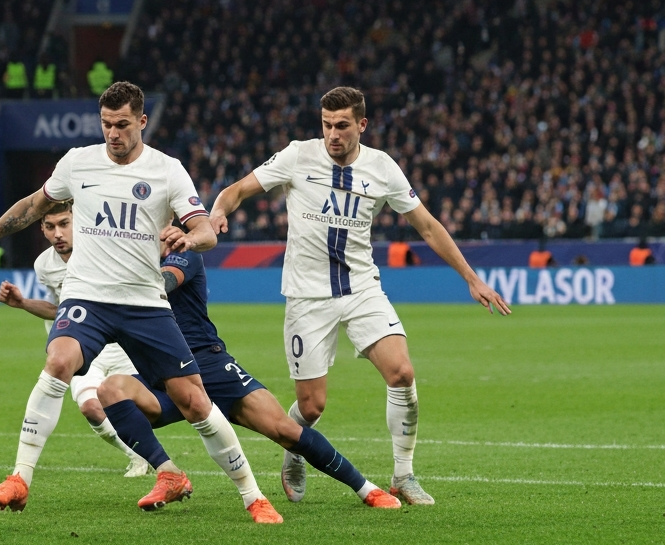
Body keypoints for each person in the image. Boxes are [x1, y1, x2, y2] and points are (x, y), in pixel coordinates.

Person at [0, 81, 281, 524]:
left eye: (122, 124)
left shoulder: (167, 170)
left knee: (195, 402)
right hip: (89, 295)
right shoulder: (78, 162)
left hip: (144, 302)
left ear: (142, 121)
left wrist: (190, 237)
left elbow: (205, 230)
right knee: (58, 361)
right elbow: (33, 205)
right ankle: (19, 478)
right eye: (106, 124)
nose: (113, 133)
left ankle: (253, 496)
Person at [209, 86, 511, 507]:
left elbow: (427, 226)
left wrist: (471, 279)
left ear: (362, 125)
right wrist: (218, 210)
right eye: (327, 125)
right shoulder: (297, 156)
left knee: (401, 373)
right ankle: (295, 447)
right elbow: (237, 190)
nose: (333, 134)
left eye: (342, 126)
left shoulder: (382, 167)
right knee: (311, 407)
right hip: (307, 297)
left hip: (361, 288)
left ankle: (403, 476)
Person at [97, 247, 402, 510]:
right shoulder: (122, 257)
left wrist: (116, 286)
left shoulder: (184, 252)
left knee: (285, 430)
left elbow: (165, 283)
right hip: (164, 375)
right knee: (111, 389)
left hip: (210, 366)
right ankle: (169, 473)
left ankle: (365, 489)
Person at [0, 206, 151, 477]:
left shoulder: (104, 252)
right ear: (42, 229)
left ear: (78, 221)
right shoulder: (44, 265)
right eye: (50, 227)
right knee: (90, 407)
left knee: (147, 407)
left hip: (122, 345)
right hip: (81, 348)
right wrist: (23, 303)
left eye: (64, 224)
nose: (58, 233)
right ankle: (137, 455)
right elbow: (60, 310)